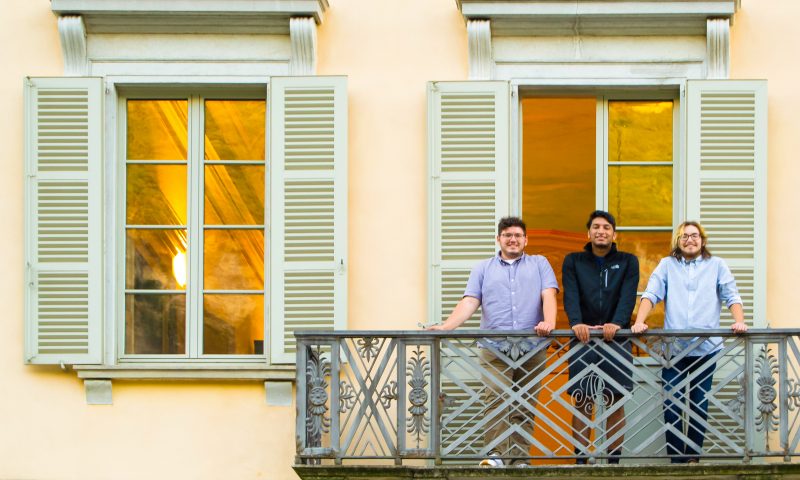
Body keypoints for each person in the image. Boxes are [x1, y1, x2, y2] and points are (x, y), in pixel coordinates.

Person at [427, 216, 558, 467]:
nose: (513, 239)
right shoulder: (483, 268)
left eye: (518, 235)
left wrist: (549, 322)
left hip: (532, 347)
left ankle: (519, 459)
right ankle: (496, 455)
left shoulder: (540, 264)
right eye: (507, 234)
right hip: (494, 348)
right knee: (496, 400)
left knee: (525, 404)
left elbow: (549, 294)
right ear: (498, 239)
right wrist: (446, 326)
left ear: (526, 240)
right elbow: (470, 302)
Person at [631, 221, 747, 464]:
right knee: (671, 400)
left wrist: (739, 322)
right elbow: (651, 294)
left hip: (706, 349)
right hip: (674, 349)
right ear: (678, 241)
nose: (689, 240)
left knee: (699, 402)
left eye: (694, 236)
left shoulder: (717, 265)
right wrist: (640, 321)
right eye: (684, 236)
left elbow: (731, 295)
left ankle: (692, 457)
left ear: (702, 240)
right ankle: (677, 460)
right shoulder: (667, 265)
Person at [562, 210, 639, 464]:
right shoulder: (573, 261)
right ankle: (581, 460)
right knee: (582, 399)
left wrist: (617, 323)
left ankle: (613, 461)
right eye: (596, 227)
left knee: (615, 401)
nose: (601, 231)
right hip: (582, 339)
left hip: (616, 340)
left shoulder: (628, 261)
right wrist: (576, 323)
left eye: (606, 227)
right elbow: (570, 295)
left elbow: (628, 297)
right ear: (588, 233)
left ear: (613, 234)